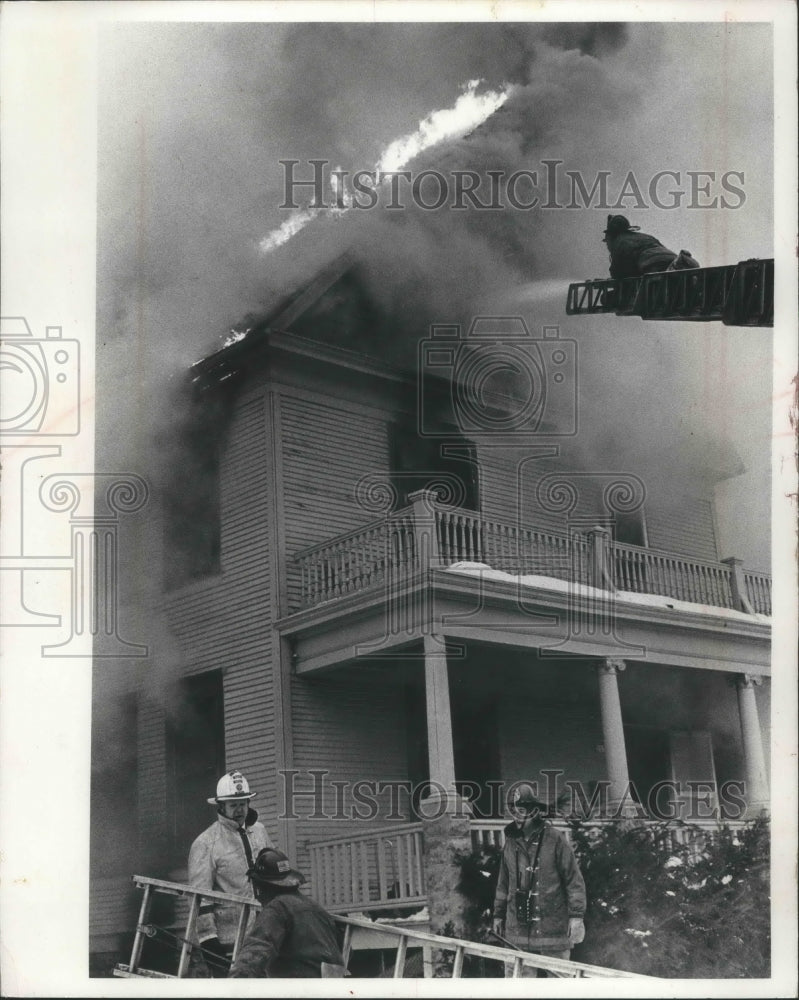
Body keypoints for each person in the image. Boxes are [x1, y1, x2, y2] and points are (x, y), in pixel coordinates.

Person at [492, 783, 586, 978]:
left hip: (552, 926)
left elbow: (573, 881)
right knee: (518, 984)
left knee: (560, 981)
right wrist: (498, 915)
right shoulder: (510, 844)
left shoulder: (555, 839)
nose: (518, 815)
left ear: (534, 811)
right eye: (514, 810)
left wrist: (576, 917)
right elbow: (503, 883)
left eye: (523, 809)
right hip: (518, 928)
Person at [188, 769, 275, 976]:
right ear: (221, 806)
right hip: (230, 941)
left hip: (263, 935)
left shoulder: (260, 832)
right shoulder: (206, 843)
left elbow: (275, 875)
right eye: (233, 805)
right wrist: (209, 942)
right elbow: (200, 899)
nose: (239, 810)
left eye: (243, 804)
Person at [229, 848, 347, 978]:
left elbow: (256, 950)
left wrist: (236, 981)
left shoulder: (277, 908)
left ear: (262, 886)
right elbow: (344, 949)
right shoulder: (315, 907)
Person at [603, 214, 700, 279]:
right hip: (672, 260)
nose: (607, 246)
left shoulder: (619, 241)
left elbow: (617, 272)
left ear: (612, 236)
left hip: (653, 265)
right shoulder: (646, 237)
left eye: (607, 242)